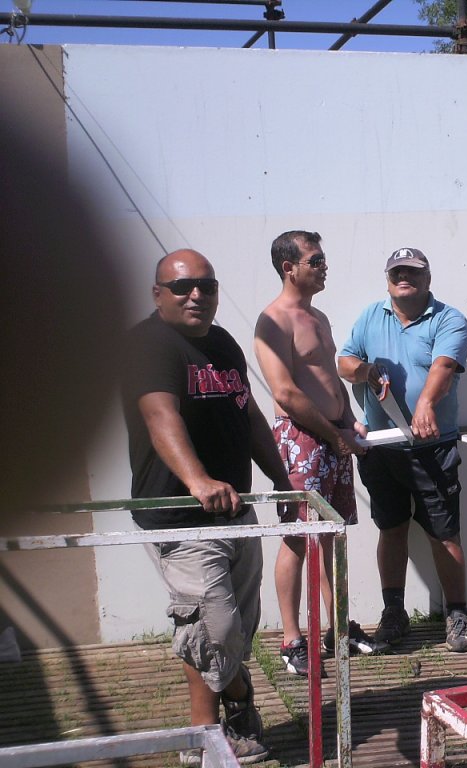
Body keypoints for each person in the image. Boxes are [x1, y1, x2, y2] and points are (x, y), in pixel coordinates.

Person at [123, 249, 293, 765]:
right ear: (158, 294)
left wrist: (282, 479)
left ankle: (228, 712)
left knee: (234, 630)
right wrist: (197, 479)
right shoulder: (148, 345)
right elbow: (159, 415)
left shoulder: (222, 343)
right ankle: (211, 728)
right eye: (182, 287)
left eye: (207, 286)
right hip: (181, 517)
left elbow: (249, 416)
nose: (196, 294)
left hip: (236, 512)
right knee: (212, 629)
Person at [254, 231, 386, 677]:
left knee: (330, 536)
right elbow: (286, 393)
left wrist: (349, 422)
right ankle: (293, 639)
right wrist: (333, 434)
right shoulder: (273, 321)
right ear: (288, 268)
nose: (324, 266)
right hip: (301, 439)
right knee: (297, 537)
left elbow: (329, 379)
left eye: (323, 258)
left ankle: (338, 628)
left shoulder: (319, 317)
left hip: (332, 438)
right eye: (315, 260)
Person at [337, 247, 467, 653]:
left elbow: (443, 366)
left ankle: (457, 615)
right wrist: (364, 370)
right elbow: (344, 361)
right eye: (397, 272)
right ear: (388, 280)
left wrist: (426, 404)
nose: (404, 278)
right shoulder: (370, 316)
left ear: (427, 279)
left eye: (413, 272)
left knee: (443, 533)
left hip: (433, 446)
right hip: (380, 448)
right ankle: (394, 613)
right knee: (391, 529)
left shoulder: (449, 319)